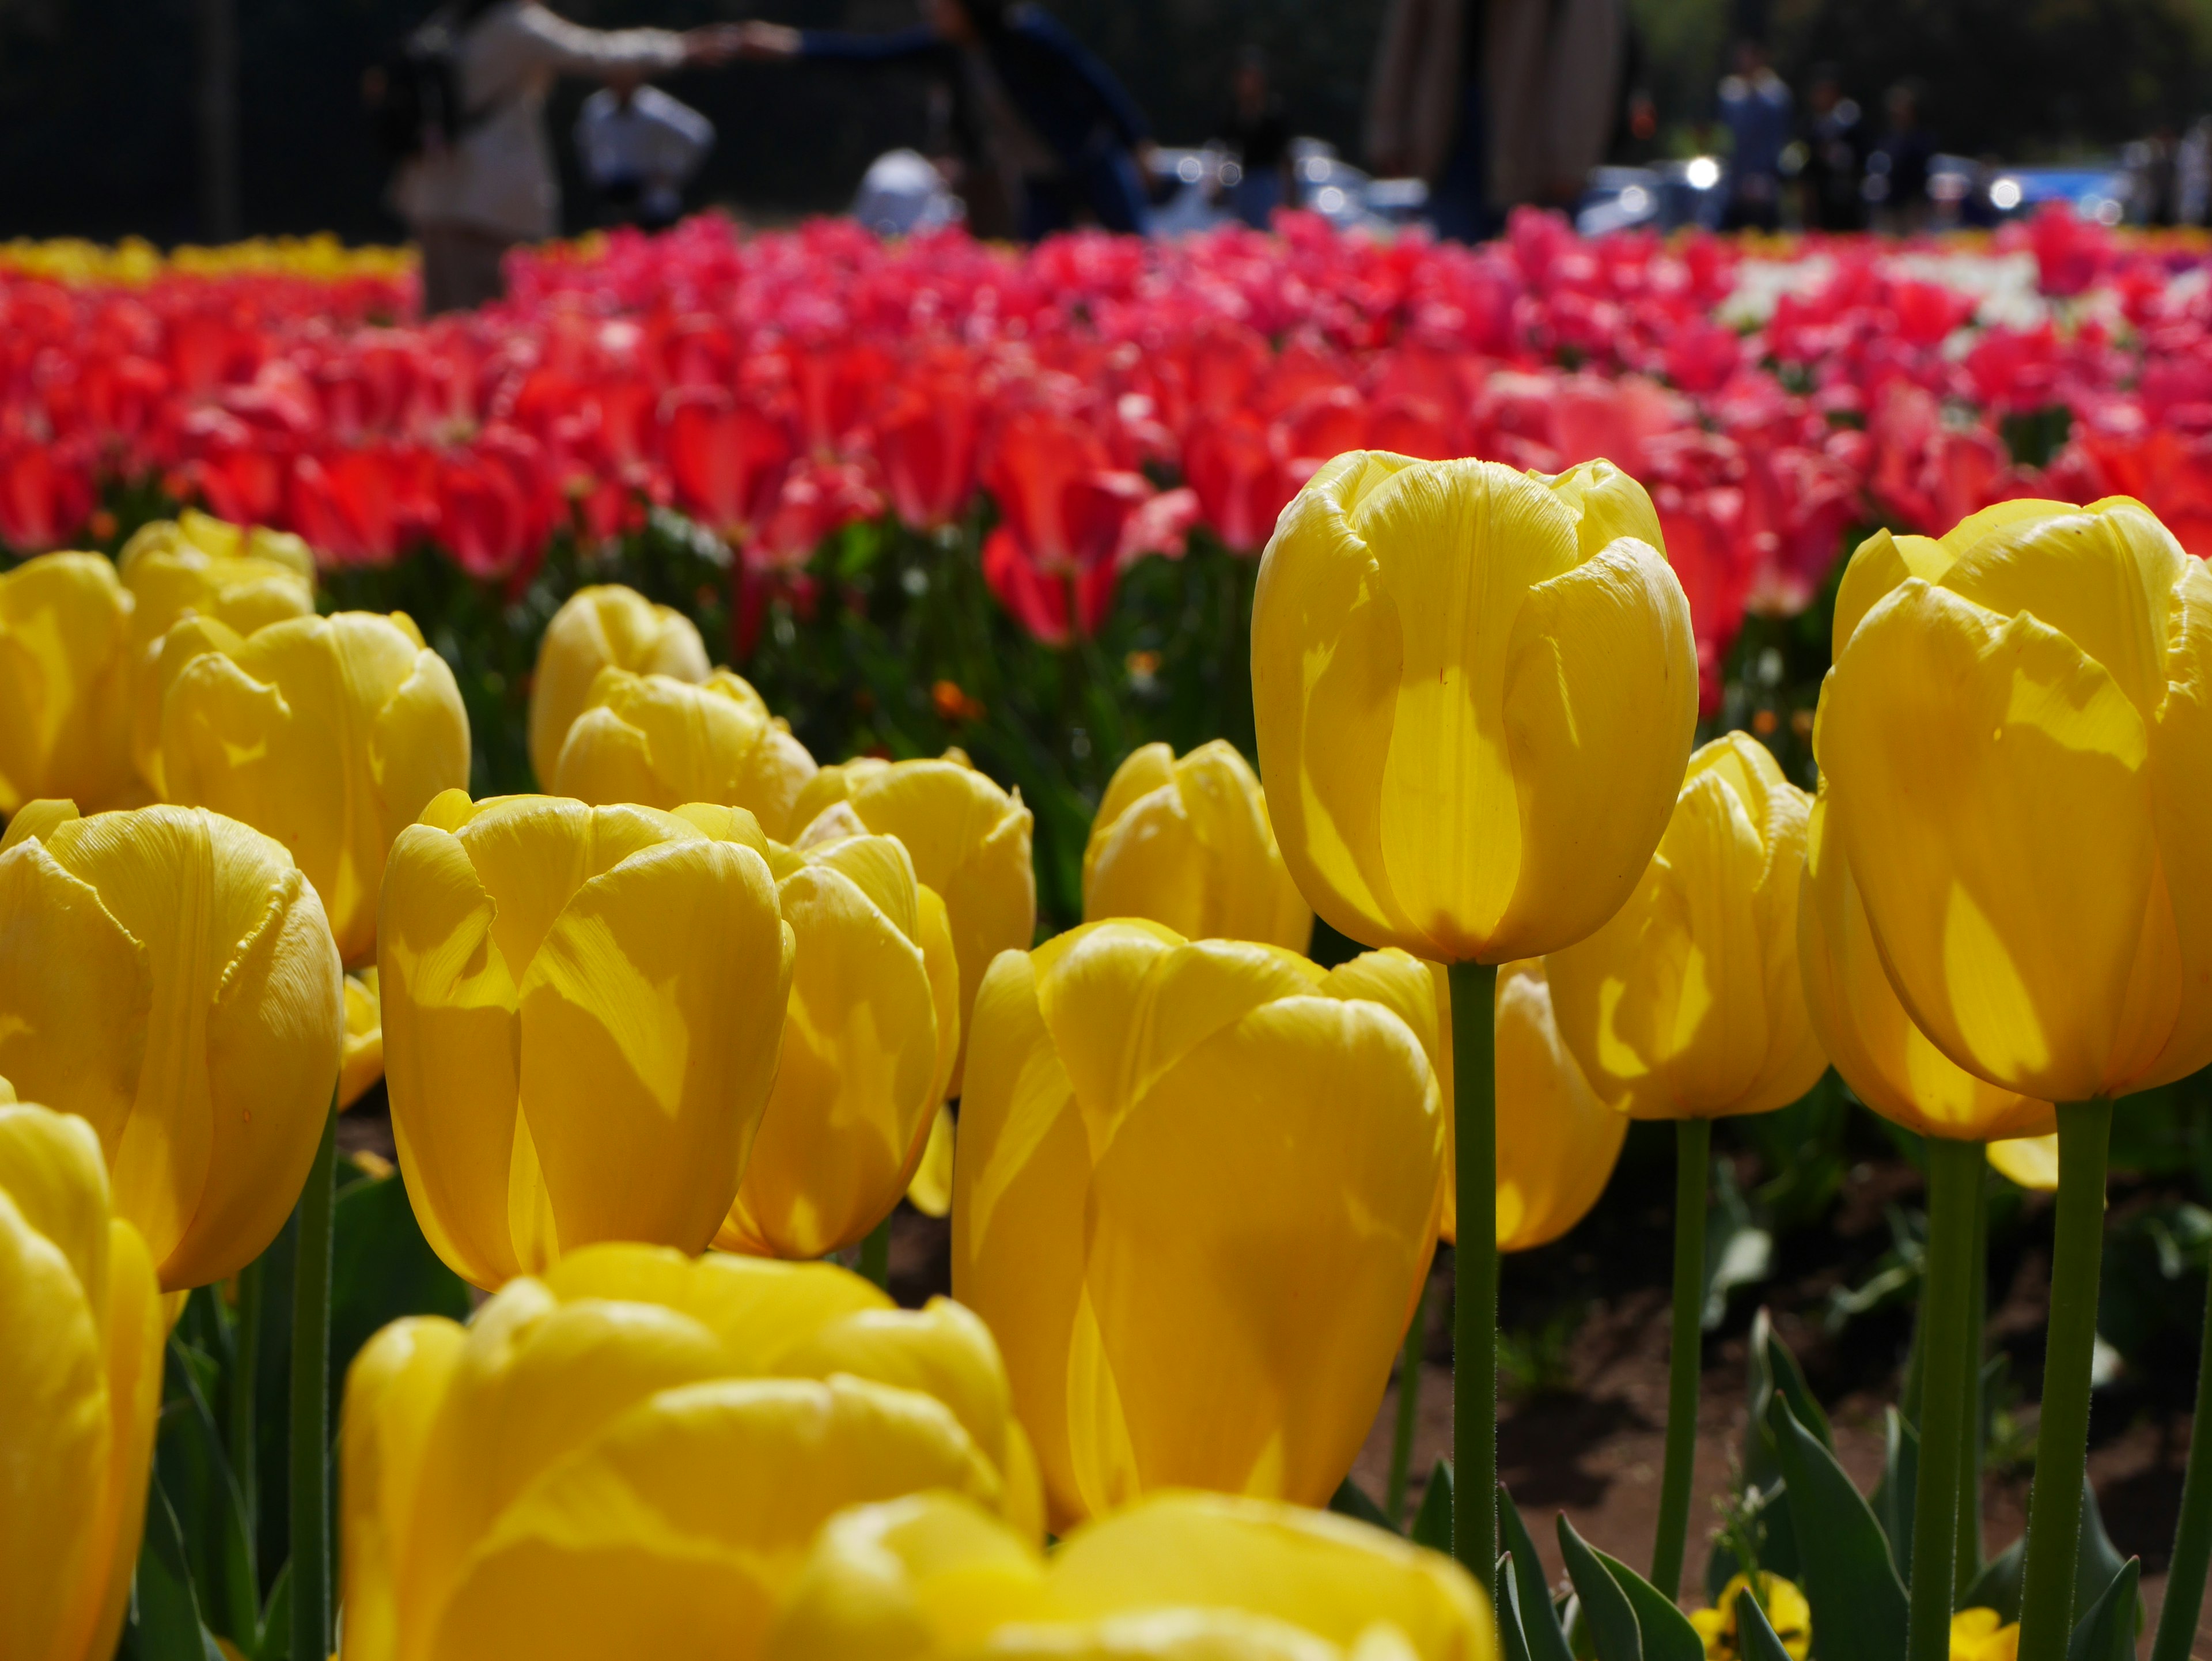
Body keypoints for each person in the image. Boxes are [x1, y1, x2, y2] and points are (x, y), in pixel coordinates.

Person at [390, 1, 737, 313]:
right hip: (483, 188)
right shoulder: (516, 23)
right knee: (479, 314)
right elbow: (596, 52)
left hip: (432, 180)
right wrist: (677, 48)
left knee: (439, 312)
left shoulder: (451, 19)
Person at [738, 1, 1154, 243]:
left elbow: (1093, 81)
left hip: (1087, 159)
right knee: (1040, 266)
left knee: (1134, 247)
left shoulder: (1027, 34)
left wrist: (1137, 143)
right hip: (1038, 177)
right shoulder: (947, 49)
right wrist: (789, 46)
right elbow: (870, 56)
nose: (931, 7)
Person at [1368, 0, 1624, 244]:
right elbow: (1406, 32)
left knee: (1531, 273)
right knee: (1453, 268)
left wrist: (1571, 155)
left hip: (1534, 142)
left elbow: (1587, 50)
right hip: (1450, 136)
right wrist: (1389, 131)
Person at [575, 74, 715, 231]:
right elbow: (585, 142)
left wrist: (673, 171)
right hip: (615, 197)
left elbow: (699, 133)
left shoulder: (657, 108)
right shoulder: (596, 108)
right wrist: (600, 176)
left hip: (654, 201)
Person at [1213, 47, 1294, 230]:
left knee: (1265, 230)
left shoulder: (1274, 113)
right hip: (1243, 179)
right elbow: (1225, 152)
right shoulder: (1234, 113)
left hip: (1267, 180)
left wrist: (1289, 193)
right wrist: (1218, 182)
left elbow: (1285, 156)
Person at [1717, 39, 1790, 233]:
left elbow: (1775, 140)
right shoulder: (1730, 95)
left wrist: (1765, 175)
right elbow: (1728, 140)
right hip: (1736, 182)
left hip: (1764, 183)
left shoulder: (1775, 96)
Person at [1798, 63, 1865, 232]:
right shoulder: (1810, 126)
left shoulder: (1850, 122)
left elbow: (1860, 158)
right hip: (1821, 199)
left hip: (1847, 198)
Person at [1865, 80, 1934, 234]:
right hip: (1889, 203)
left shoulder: (1921, 139)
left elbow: (1922, 173)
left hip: (1912, 204)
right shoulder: (1886, 140)